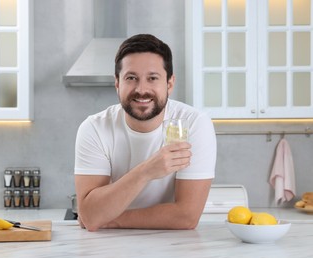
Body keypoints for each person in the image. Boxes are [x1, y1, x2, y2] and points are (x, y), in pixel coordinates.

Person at [74, 34, 217, 231]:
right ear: (117, 83)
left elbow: (186, 217)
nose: (141, 89)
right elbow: (90, 216)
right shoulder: (94, 128)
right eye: (131, 78)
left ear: (169, 83)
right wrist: (147, 171)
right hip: (109, 247)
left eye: (152, 78)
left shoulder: (194, 124)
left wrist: (110, 219)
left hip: (174, 246)